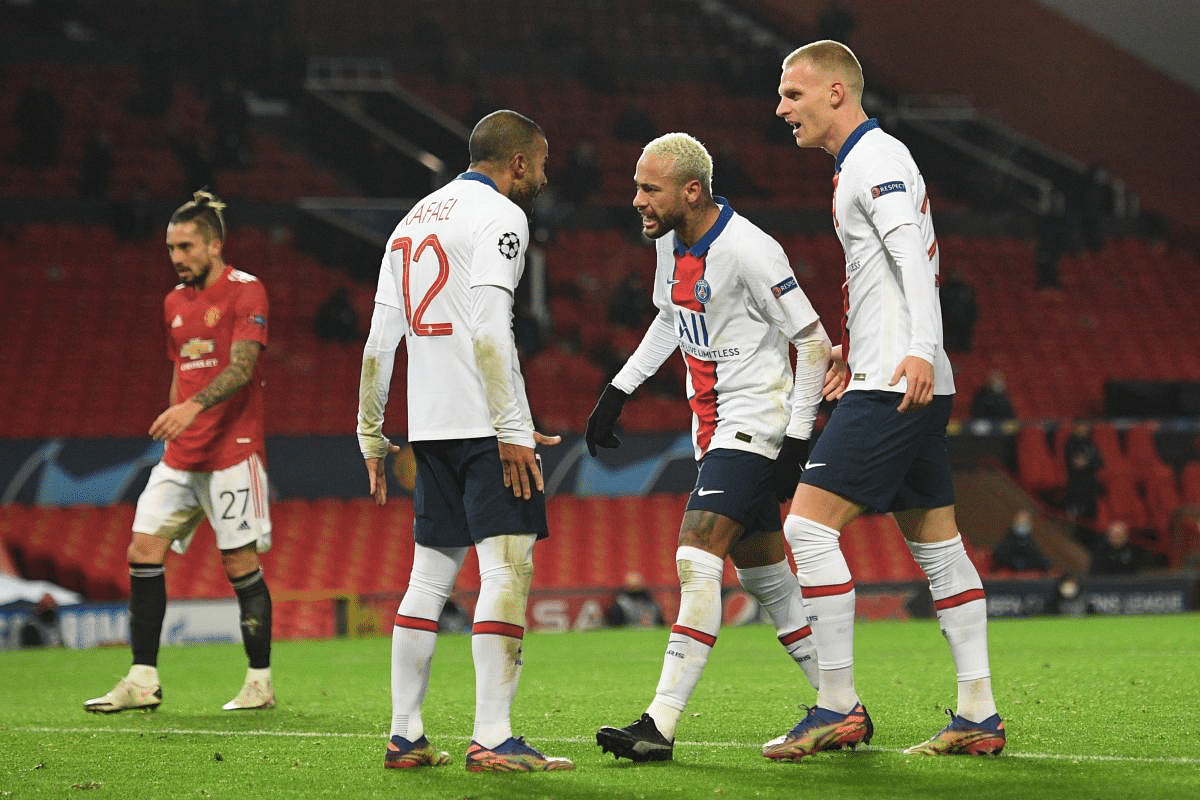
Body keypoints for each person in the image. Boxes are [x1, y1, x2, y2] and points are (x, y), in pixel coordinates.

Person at [769, 41, 1004, 759]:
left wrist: (916, 353)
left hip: (898, 384)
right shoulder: (867, 162)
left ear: (837, 92)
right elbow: (885, 277)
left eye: (793, 94)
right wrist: (861, 351)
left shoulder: (874, 160)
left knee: (807, 531)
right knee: (939, 549)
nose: (781, 109)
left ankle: (837, 703)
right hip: (897, 374)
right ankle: (977, 712)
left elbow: (910, 258)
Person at [587, 132, 831, 762]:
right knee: (767, 578)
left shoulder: (751, 249)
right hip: (711, 428)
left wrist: (797, 438)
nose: (636, 199)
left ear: (691, 190)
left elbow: (812, 340)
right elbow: (671, 318)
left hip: (756, 420)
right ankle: (841, 702)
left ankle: (658, 724)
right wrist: (619, 389)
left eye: (649, 188)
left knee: (697, 555)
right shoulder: (672, 243)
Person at [357, 110, 574, 773]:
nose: (542, 175)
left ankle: (405, 734)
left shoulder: (411, 221)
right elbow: (488, 329)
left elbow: (378, 343)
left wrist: (372, 433)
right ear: (516, 162)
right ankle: (495, 736)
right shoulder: (501, 218)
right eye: (539, 163)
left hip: (431, 431)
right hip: (483, 431)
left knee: (428, 580)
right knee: (506, 573)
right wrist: (512, 429)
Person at [85, 190, 275, 714]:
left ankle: (259, 682)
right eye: (170, 247)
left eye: (185, 246)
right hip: (182, 458)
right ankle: (142, 679)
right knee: (142, 551)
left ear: (213, 245)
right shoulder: (172, 302)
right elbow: (180, 368)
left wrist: (191, 408)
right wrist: (178, 414)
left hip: (233, 453)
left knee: (238, 563)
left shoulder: (247, 291)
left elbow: (241, 369)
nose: (175, 256)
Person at [1062, 420, 1104, 525]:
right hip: (1076, 485)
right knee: (1075, 518)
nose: (1085, 428)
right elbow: (1078, 464)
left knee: (1091, 517)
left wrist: (1089, 462)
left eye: (1086, 426)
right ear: (1075, 427)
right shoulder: (1071, 443)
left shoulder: (1090, 442)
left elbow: (1100, 462)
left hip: (1090, 485)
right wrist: (1090, 462)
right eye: (1081, 426)